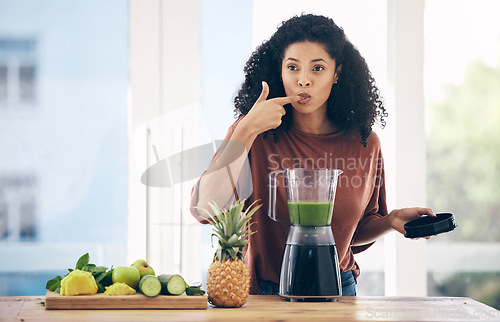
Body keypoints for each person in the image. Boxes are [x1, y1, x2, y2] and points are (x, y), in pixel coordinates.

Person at [190, 13, 435, 296]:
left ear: (337, 73)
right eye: (292, 67)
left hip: (338, 288)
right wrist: (245, 130)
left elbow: (351, 233)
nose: (303, 80)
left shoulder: (365, 144)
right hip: (264, 292)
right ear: (279, 72)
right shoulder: (254, 133)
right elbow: (202, 208)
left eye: (317, 68)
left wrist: (390, 221)